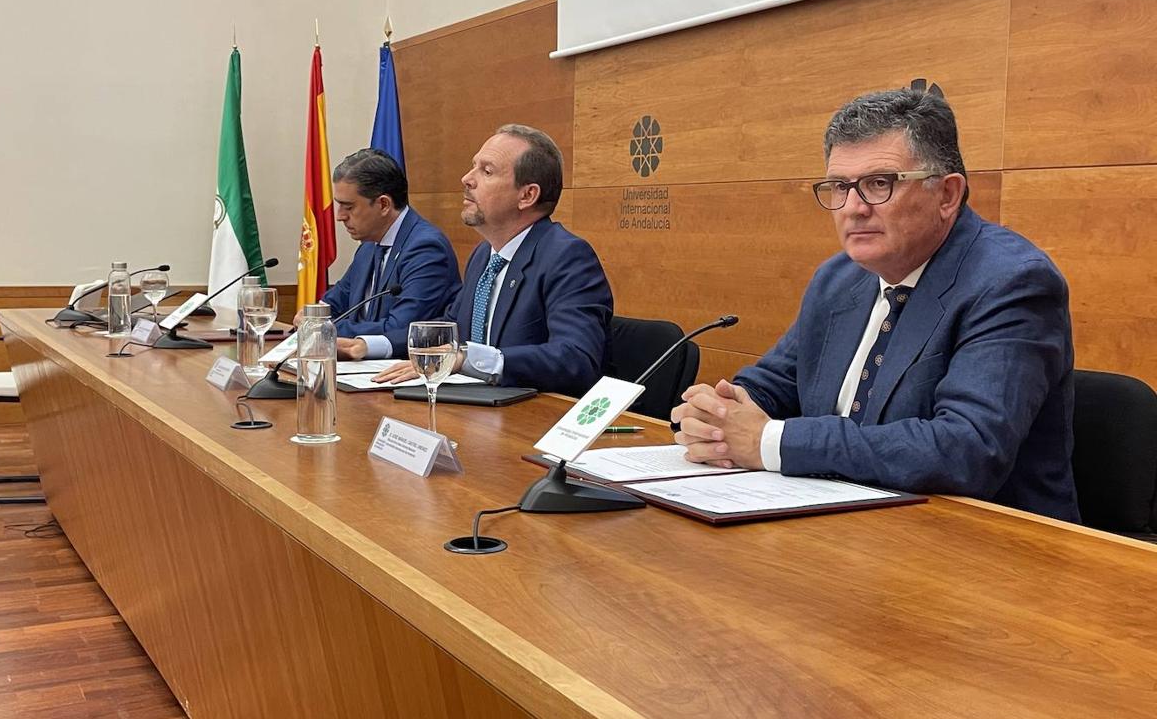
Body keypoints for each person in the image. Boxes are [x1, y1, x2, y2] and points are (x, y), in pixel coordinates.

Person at [673, 89, 1079, 522]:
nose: (853, 208)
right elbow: (775, 384)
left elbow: (968, 448)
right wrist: (718, 415)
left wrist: (770, 441)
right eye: (838, 187)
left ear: (947, 195)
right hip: (840, 525)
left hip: (988, 549)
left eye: (878, 184)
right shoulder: (838, 278)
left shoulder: (1011, 282)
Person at [372, 124, 613, 396]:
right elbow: (447, 330)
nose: (466, 178)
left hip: (529, 422)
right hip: (473, 413)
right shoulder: (484, 254)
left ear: (527, 195)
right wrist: (366, 346)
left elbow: (576, 359)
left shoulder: (566, 257)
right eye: (473, 166)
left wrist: (468, 359)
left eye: (486, 171)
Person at [303, 148, 460, 349]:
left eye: (349, 207)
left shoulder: (426, 249)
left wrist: (322, 328)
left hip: (402, 371)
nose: (339, 216)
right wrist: (312, 316)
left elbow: (401, 328)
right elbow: (334, 303)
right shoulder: (369, 246)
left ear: (384, 204)